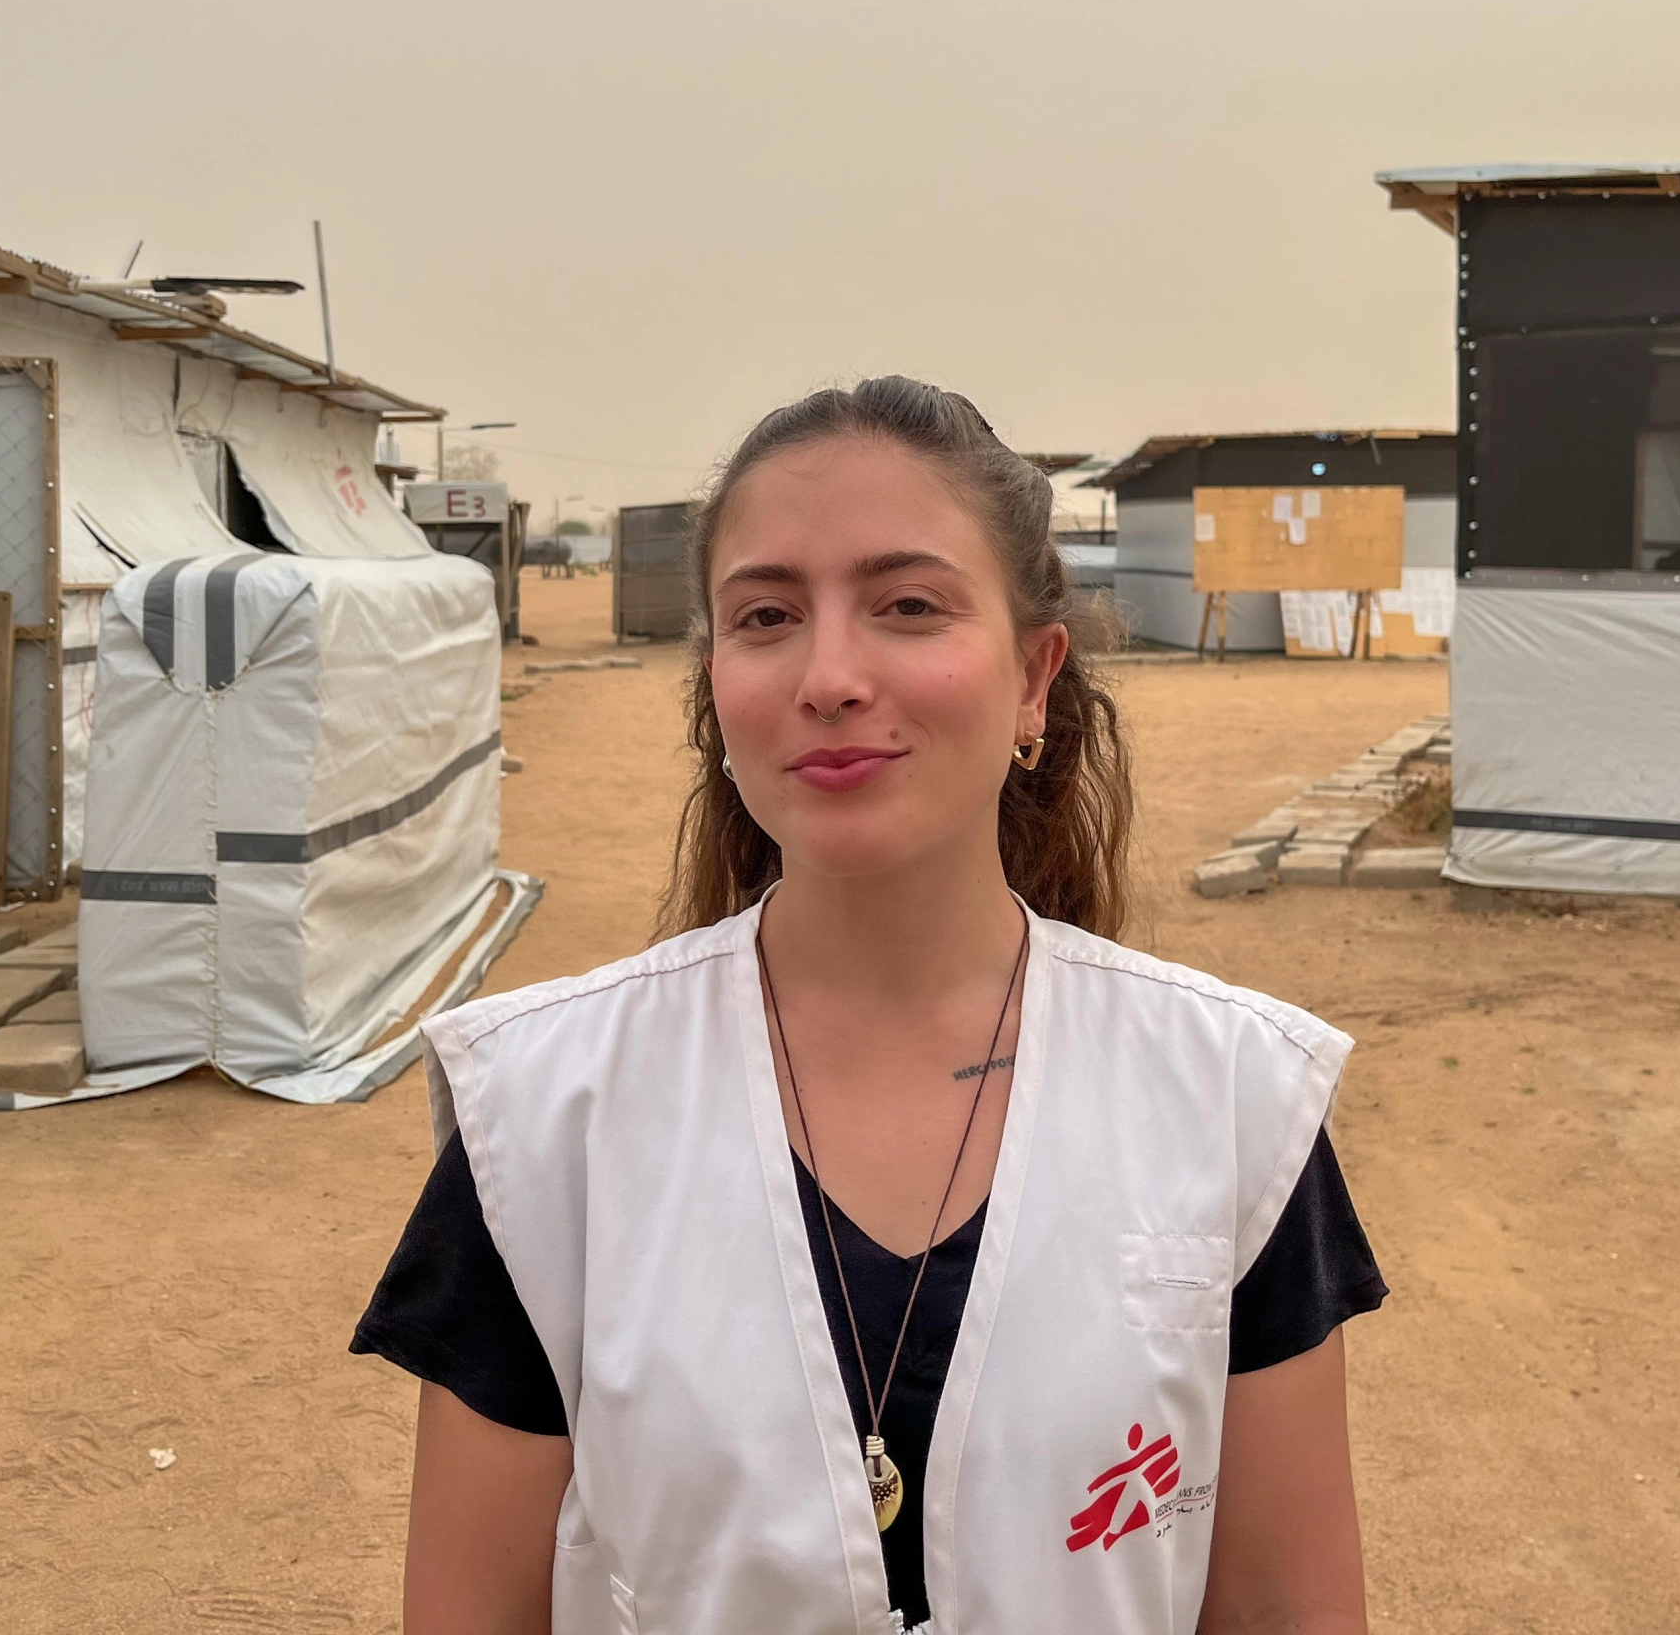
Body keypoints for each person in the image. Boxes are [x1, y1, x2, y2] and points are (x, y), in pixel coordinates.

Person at [355, 377, 1385, 1634]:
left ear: (1032, 679)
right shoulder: (542, 1115)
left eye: (907, 604)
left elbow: (1288, 1607)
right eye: (768, 614)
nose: (830, 674)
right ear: (719, 680)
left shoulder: (1233, 1099)